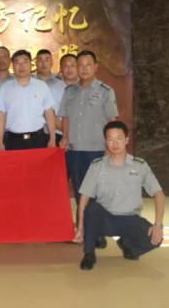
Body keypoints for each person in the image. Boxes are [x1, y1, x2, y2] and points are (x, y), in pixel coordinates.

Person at [74, 121, 165, 270]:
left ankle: (127, 245)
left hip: (130, 219)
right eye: (110, 139)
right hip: (106, 219)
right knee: (92, 208)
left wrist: (158, 225)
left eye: (119, 138)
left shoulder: (140, 165)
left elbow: (159, 194)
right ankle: (89, 254)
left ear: (127, 140)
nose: (115, 143)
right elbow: (84, 197)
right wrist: (80, 228)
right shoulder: (97, 166)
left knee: (155, 239)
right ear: (106, 142)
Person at [59, 50, 119, 244]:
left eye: (88, 65)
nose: (84, 69)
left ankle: (98, 234)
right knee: (80, 193)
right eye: (80, 65)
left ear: (95, 67)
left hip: (96, 151)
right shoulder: (69, 91)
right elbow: (65, 118)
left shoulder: (105, 91)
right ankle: (83, 230)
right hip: (74, 150)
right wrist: (65, 137)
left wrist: (111, 149)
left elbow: (112, 121)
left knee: (96, 194)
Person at [0, 50, 56, 150]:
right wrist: (0, 142)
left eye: (25, 61)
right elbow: (1, 116)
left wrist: (52, 138)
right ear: (13, 66)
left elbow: (49, 113)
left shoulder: (41, 86)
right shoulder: (5, 88)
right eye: (17, 62)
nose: (21, 66)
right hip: (13, 140)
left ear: (31, 65)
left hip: (38, 139)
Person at [34, 49, 67, 144]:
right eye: (40, 60)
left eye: (47, 59)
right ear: (35, 63)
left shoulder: (61, 83)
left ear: (52, 62)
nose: (43, 63)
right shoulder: (30, 82)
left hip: (57, 131)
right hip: (36, 132)